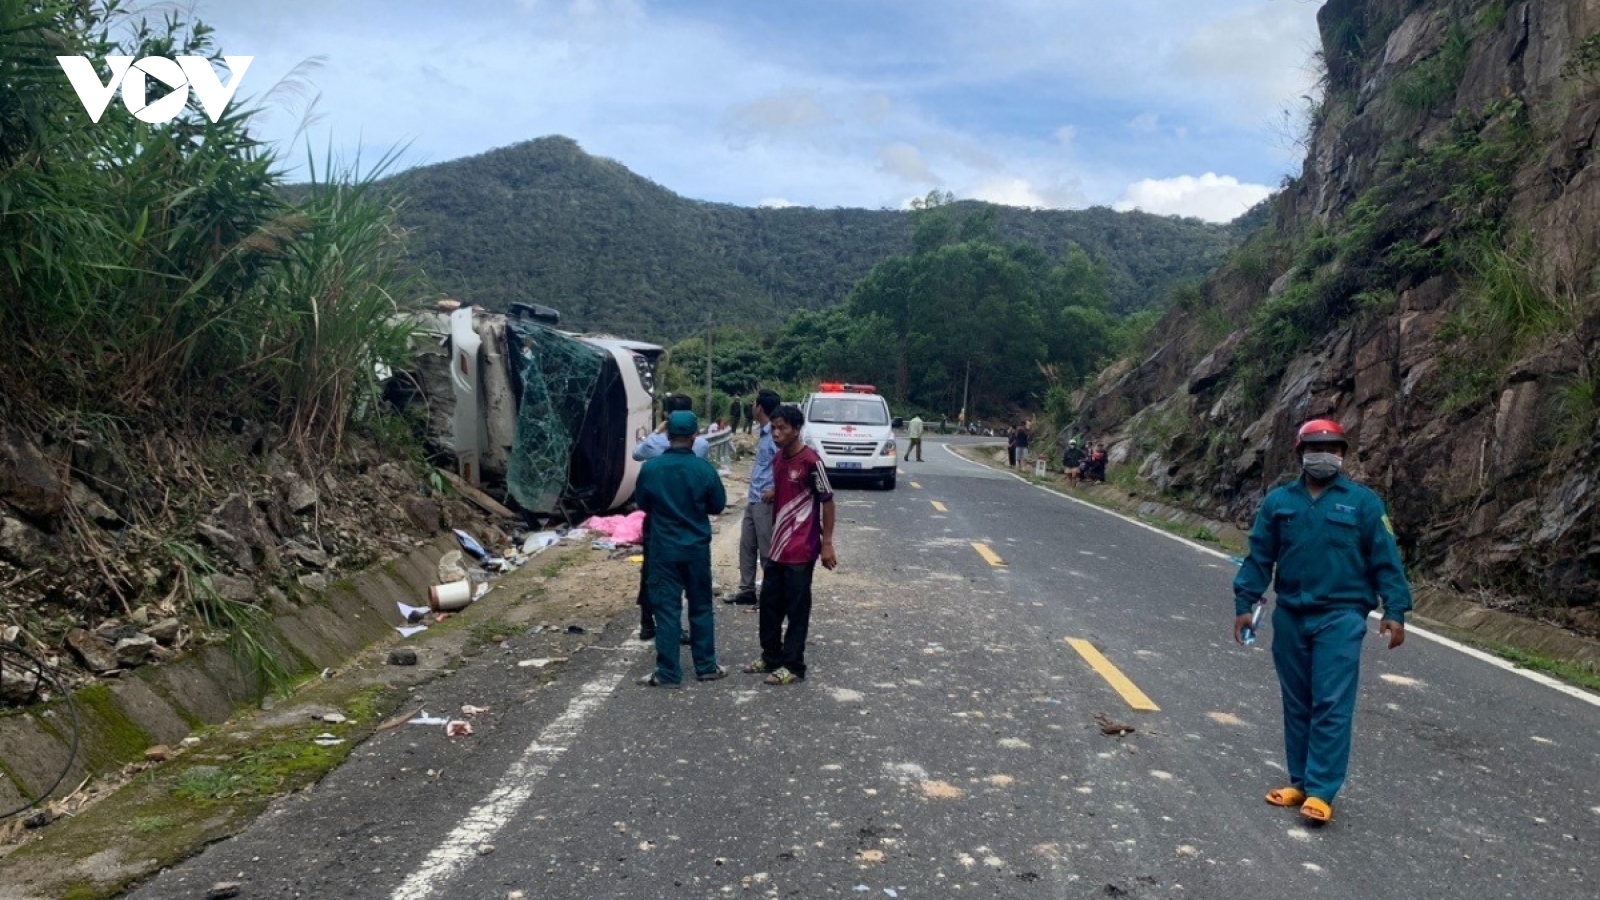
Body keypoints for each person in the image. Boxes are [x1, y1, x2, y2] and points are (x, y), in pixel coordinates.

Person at [1232, 418, 1411, 825]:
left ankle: (1323, 789)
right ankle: (1300, 781)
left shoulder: (1364, 503)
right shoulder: (1279, 503)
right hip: (1291, 615)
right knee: (1297, 701)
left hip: (1341, 616)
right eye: (1315, 447)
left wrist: (1395, 610)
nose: (1324, 455)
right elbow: (1260, 556)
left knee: (1330, 702)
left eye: (1333, 448)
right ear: (1300, 454)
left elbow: (1386, 559)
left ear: (1344, 455)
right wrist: (1245, 603)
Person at [634, 411, 729, 687]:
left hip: (664, 549)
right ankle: (706, 666)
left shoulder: (651, 468)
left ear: (667, 435)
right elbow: (717, 505)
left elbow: (642, 503)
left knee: (666, 609)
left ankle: (668, 673)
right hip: (697, 549)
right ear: (694, 437)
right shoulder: (704, 469)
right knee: (701, 606)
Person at [744, 405, 836, 685]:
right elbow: (788, 488)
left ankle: (793, 665)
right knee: (770, 604)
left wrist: (827, 543)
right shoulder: (778, 459)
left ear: (796, 429)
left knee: (797, 609)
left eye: (782, 427)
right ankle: (771, 657)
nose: (776, 433)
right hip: (778, 547)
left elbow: (827, 501)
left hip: (801, 550)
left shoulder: (811, 461)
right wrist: (774, 492)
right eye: (773, 428)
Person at [632, 395, 710, 641]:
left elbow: (636, 454)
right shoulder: (702, 446)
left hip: (658, 520)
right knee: (691, 578)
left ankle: (648, 623)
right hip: (690, 518)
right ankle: (690, 638)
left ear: (668, 417)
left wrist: (658, 428)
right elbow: (714, 497)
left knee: (653, 572)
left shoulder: (654, 444)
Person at [725, 389, 780, 606]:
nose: (752, 407)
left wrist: (775, 490)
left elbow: (784, 463)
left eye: (754, 403)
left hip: (766, 500)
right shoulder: (764, 433)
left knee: (766, 549)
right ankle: (746, 589)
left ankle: (770, 595)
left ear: (760, 407)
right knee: (747, 545)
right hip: (755, 497)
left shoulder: (776, 433)